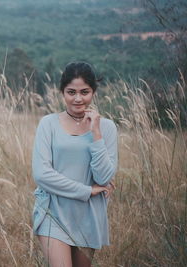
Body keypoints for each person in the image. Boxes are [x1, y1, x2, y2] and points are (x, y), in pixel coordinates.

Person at [32, 62, 118, 267]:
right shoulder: (48, 123)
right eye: (71, 92)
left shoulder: (106, 128)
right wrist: (86, 190)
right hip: (52, 211)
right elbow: (42, 174)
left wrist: (95, 134)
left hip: (88, 215)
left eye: (84, 92)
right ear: (62, 92)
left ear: (94, 92)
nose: (78, 98)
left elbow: (104, 178)